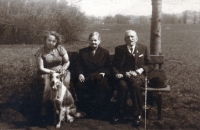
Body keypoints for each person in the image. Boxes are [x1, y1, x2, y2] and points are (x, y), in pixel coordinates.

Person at [111, 30, 151, 125]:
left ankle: (137, 114)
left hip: (138, 76)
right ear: (125, 39)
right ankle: (120, 112)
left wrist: (140, 70)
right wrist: (117, 73)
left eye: (132, 36)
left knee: (135, 86)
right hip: (123, 76)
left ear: (136, 38)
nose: (130, 39)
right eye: (128, 37)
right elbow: (114, 65)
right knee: (122, 86)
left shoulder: (143, 48)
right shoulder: (119, 49)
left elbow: (149, 65)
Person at [75, 31, 112, 118]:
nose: (93, 42)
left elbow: (108, 66)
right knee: (80, 85)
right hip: (86, 75)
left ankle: (100, 110)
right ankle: (87, 110)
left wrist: (103, 72)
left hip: (100, 76)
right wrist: (80, 74)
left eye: (95, 40)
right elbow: (78, 65)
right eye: (91, 40)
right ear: (88, 41)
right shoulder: (82, 52)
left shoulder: (105, 52)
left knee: (103, 85)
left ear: (99, 41)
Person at [35, 31, 70, 116]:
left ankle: (63, 105)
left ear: (56, 42)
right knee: (48, 86)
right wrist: (53, 72)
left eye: (53, 41)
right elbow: (41, 68)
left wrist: (64, 68)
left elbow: (67, 61)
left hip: (61, 71)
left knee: (65, 82)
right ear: (45, 40)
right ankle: (45, 106)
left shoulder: (60, 48)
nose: (51, 43)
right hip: (46, 72)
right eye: (49, 40)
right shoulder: (40, 51)